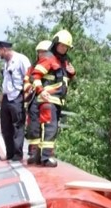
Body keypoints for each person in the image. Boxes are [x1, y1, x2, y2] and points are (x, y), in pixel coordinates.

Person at [26, 30, 76, 167]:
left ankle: (39, 156)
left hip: (57, 100)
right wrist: (41, 91)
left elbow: (61, 78)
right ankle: (46, 158)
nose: (64, 48)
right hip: (48, 100)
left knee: (49, 128)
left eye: (66, 47)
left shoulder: (63, 61)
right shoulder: (49, 57)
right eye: (62, 45)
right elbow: (35, 76)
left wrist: (72, 73)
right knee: (50, 128)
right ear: (55, 44)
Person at [0, 40, 31, 162]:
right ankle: (9, 153)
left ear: (4, 49)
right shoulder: (6, 63)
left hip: (17, 96)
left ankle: (17, 154)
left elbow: (29, 76)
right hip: (7, 97)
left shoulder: (21, 60)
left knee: (17, 126)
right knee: (5, 127)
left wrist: (26, 95)